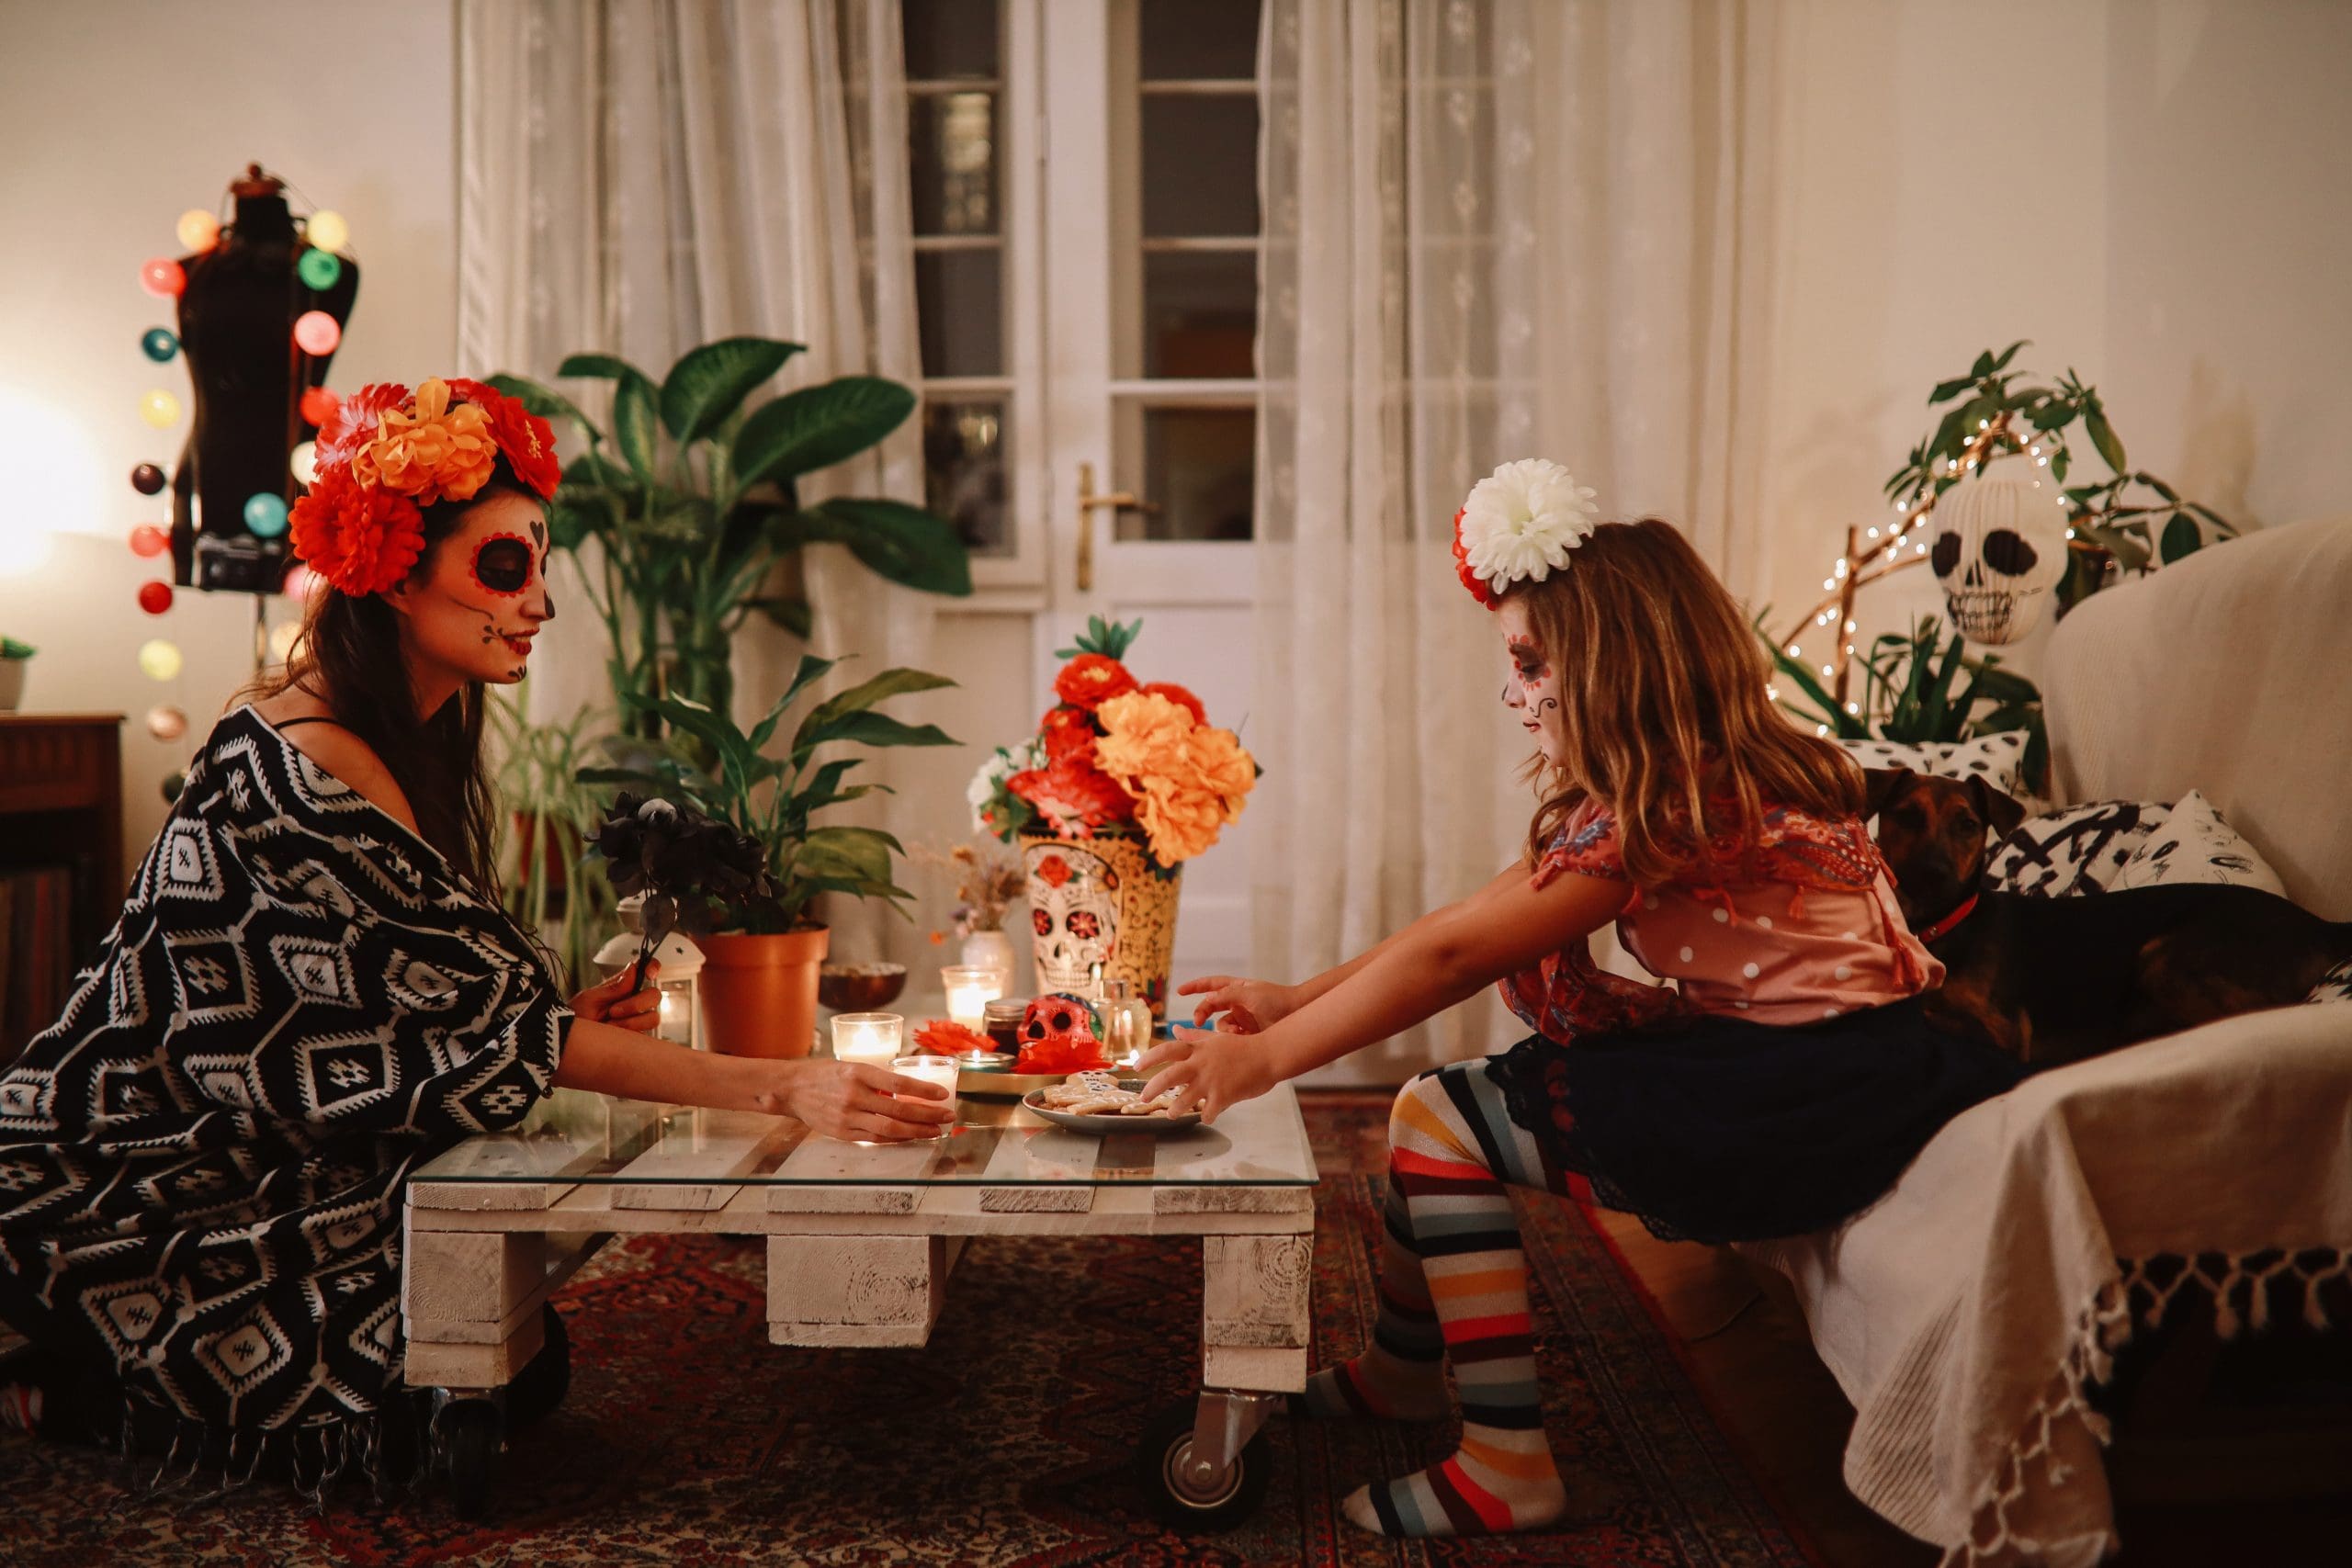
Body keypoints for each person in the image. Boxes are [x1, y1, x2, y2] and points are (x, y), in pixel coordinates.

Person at [0, 377, 948, 1484]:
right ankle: (67, 1384)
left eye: (542, 563)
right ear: (394, 574)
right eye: (505, 566)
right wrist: (783, 1085)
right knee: (466, 1396)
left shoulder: (413, 725)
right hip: (140, 1184)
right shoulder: (315, 761)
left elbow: (408, 1002)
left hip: (287, 1152)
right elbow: (466, 1034)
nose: (538, 600)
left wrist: (550, 1020)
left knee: (505, 1348)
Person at [1138, 459, 2025, 1540]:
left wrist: (1267, 1063)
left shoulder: (1674, 810)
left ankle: (1507, 1461)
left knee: (1435, 1114)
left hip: (1809, 1092)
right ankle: (1403, 1373)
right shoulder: (1677, 783)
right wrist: (1296, 1001)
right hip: (1831, 1059)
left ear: (1611, 667)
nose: (1513, 695)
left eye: (1528, 664)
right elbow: (1466, 920)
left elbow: (1455, 960)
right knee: (1439, 1104)